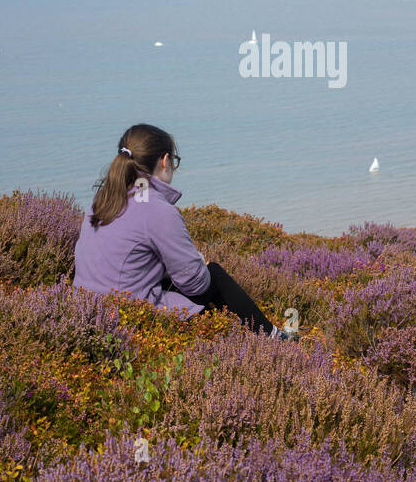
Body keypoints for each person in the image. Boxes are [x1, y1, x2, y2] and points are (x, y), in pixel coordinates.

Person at [74, 122, 290, 338]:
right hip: (128, 316)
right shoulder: (158, 209)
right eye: (174, 161)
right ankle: (275, 338)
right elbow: (195, 284)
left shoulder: (104, 197)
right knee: (213, 274)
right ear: (165, 161)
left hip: (85, 310)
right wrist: (198, 262)